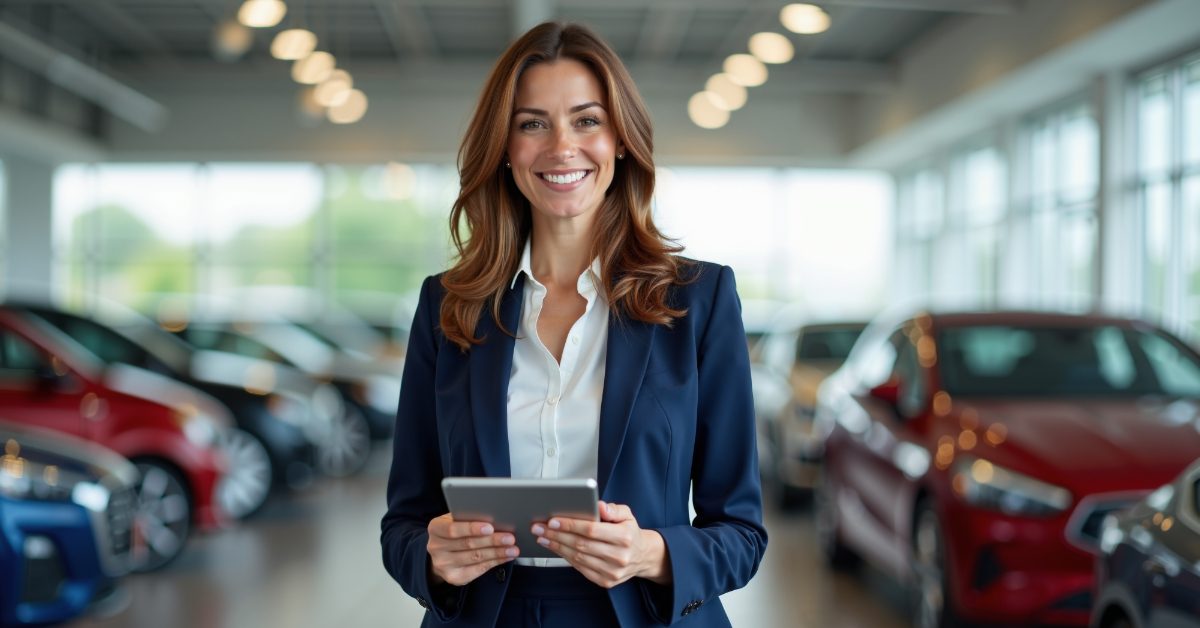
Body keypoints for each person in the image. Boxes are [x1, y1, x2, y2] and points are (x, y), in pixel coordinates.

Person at [380, 21, 766, 627]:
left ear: (620, 140)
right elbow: (403, 523)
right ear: (505, 149)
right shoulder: (448, 307)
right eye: (533, 123)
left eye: (587, 120)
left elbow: (742, 532)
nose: (562, 147)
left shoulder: (699, 301)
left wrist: (655, 553)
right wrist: (431, 558)